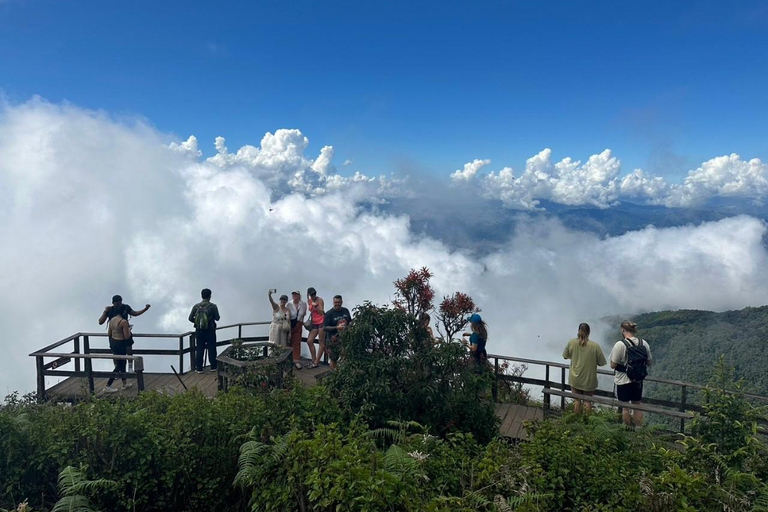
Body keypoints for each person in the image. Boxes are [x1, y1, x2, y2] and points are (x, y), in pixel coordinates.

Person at [610, 320, 653, 427]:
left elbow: (613, 365)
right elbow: (649, 362)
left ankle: (628, 428)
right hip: (638, 380)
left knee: (625, 406)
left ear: (622, 330)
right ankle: (638, 429)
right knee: (637, 405)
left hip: (623, 380)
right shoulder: (644, 343)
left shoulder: (620, 344)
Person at [562, 323, 607, 414]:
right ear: (589, 332)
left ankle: (576, 420)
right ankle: (587, 423)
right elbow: (602, 363)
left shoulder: (571, 343)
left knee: (577, 400)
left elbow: (565, 356)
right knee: (587, 401)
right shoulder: (595, 346)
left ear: (578, 331)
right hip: (589, 379)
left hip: (575, 377)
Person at [98, 295, 151, 372]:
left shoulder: (125, 307)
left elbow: (135, 313)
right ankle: (117, 369)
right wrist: (105, 311)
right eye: (117, 302)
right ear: (113, 303)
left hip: (125, 331)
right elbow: (100, 322)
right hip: (114, 335)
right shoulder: (110, 310)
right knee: (115, 353)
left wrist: (145, 309)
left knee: (128, 349)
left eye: (120, 302)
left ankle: (130, 367)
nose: (119, 304)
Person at [188, 288, 221, 374]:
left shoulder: (196, 306)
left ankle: (199, 368)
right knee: (212, 348)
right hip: (210, 331)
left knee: (199, 349)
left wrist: (198, 322)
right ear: (210, 296)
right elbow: (217, 318)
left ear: (201, 295)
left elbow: (190, 318)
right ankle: (213, 366)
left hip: (199, 331)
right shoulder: (213, 306)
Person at [104, 308, 133, 393]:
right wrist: (129, 330)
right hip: (121, 344)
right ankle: (108, 385)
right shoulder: (123, 322)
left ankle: (125, 383)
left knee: (122, 363)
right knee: (119, 365)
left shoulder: (112, 320)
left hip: (114, 343)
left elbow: (109, 333)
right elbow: (127, 336)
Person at [323, 295, 352, 370]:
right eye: (335, 302)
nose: (337, 304)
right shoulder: (329, 313)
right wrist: (336, 327)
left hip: (344, 339)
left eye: (339, 302)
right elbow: (325, 327)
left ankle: (342, 375)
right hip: (333, 340)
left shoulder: (345, 310)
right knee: (333, 359)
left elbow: (350, 321)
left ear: (342, 302)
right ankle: (332, 376)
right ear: (333, 302)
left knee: (345, 357)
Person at [305, 287, 325, 369]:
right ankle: (313, 360)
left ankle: (316, 361)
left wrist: (315, 305)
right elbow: (310, 311)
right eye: (311, 294)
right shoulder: (309, 301)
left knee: (321, 342)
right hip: (314, 323)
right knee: (309, 341)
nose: (313, 295)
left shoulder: (319, 300)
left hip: (321, 322)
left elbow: (321, 312)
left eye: (314, 294)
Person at [287, 291, 307, 369]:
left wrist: (301, 322)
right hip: (290, 324)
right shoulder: (289, 304)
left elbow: (304, 313)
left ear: (299, 296)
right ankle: (288, 360)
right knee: (289, 342)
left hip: (299, 324)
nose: (294, 296)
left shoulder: (303, 304)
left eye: (296, 294)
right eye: (293, 294)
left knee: (296, 342)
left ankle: (296, 360)